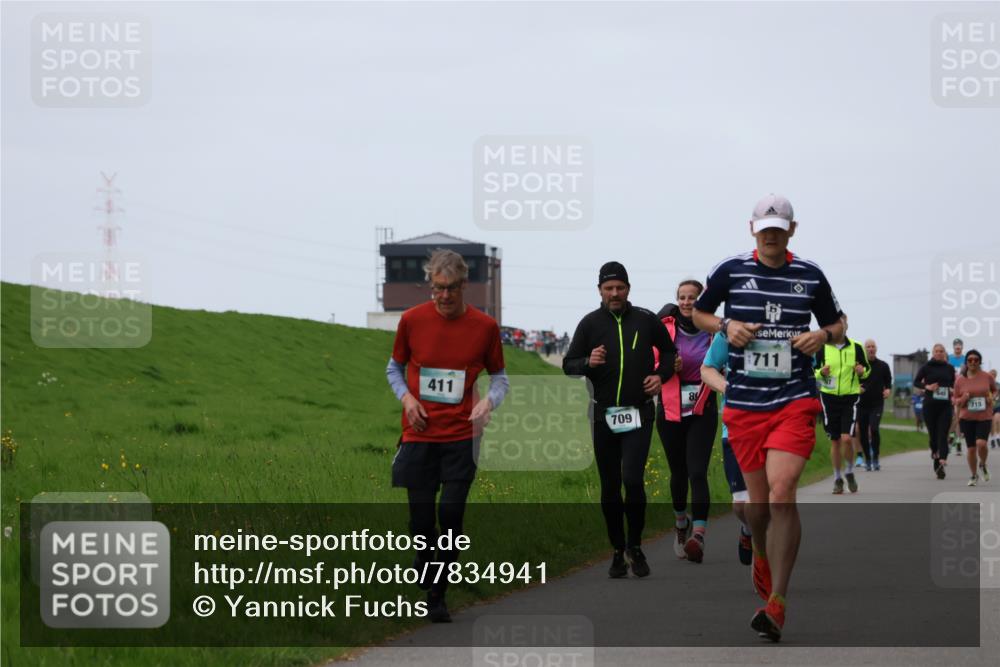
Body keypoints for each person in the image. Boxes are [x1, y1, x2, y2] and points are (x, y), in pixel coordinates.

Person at [692, 193, 844, 642]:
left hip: (794, 399)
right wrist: (726, 326)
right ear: (752, 230)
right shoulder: (731, 270)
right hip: (745, 405)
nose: (771, 235)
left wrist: (822, 335)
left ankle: (777, 602)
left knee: (782, 493)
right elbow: (699, 313)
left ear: (792, 230)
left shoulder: (810, 275)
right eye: (764, 229)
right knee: (756, 509)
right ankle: (759, 549)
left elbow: (839, 325)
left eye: (779, 228)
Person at [385, 249, 509, 623]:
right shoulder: (411, 320)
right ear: (430, 285)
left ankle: (437, 595)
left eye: (451, 288)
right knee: (422, 520)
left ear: (464, 285)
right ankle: (424, 554)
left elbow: (500, 379)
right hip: (420, 433)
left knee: (451, 515)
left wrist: (488, 402)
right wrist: (406, 398)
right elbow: (394, 368)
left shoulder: (485, 327)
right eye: (438, 288)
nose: (444, 295)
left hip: (462, 435)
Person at [563, 261, 676, 579]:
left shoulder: (646, 319)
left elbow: (669, 354)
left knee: (633, 480)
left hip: (639, 412)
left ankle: (635, 546)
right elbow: (569, 365)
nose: (614, 293)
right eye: (608, 288)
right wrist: (588, 362)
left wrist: (660, 376)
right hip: (603, 415)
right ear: (599, 290)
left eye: (620, 288)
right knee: (610, 485)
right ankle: (617, 549)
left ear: (628, 289)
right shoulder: (590, 324)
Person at [655, 281, 718, 564]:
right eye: (682, 297)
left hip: (703, 409)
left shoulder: (714, 330)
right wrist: (668, 367)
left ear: (701, 300)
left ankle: (699, 536)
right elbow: (649, 363)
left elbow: (724, 362)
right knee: (678, 472)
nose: (686, 302)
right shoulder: (664, 328)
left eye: (692, 297)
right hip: (670, 410)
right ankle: (682, 524)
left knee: (697, 472)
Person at [701, 331, 754, 566]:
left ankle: (767, 556)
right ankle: (747, 529)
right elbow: (707, 368)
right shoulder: (730, 330)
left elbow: (807, 368)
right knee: (741, 505)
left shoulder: (786, 328)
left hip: (775, 429)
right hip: (736, 429)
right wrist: (726, 387)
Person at [814, 315, 870, 493]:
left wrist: (862, 371)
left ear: (846, 325)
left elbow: (867, 370)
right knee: (835, 441)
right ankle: (837, 478)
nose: (839, 326)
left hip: (850, 397)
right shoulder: (822, 347)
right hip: (828, 397)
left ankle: (849, 471)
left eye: (842, 323)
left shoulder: (856, 347)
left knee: (846, 438)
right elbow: (813, 371)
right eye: (835, 323)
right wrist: (821, 373)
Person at [954, 350, 997, 486]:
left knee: (981, 444)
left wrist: (992, 398)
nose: (973, 362)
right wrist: (963, 398)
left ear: (979, 362)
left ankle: (983, 464)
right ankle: (973, 475)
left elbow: (995, 390)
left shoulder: (987, 377)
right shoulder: (960, 380)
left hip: (984, 416)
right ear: (966, 362)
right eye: (970, 360)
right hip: (967, 417)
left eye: (976, 360)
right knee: (971, 449)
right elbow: (955, 399)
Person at [914, 344, 956, 479]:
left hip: (945, 406)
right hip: (930, 406)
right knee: (933, 436)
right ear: (933, 353)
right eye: (936, 351)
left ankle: (941, 461)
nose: (939, 353)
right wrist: (927, 387)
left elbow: (954, 384)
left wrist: (952, 390)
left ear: (944, 353)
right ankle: (935, 452)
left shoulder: (949, 368)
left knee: (942, 434)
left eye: (941, 351)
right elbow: (916, 382)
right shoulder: (926, 367)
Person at [948, 338, 965, 453]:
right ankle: (952, 436)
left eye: (959, 345)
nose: (958, 347)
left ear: (962, 347)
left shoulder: (966, 359)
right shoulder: (949, 358)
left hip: (961, 391)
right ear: (953, 347)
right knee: (952, 417)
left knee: (957, 416)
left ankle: (957, 440)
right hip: (950, 390)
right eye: (956, 345)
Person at [991, 369, 1000, 449]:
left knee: (997, 420)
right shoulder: (986, 384)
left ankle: (998, 437)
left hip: (997, 406)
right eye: (991, 374)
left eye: (994, 375)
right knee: (992, 423)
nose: (993, 376)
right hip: (989, 407)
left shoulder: (998, 385)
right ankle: (992, 439)